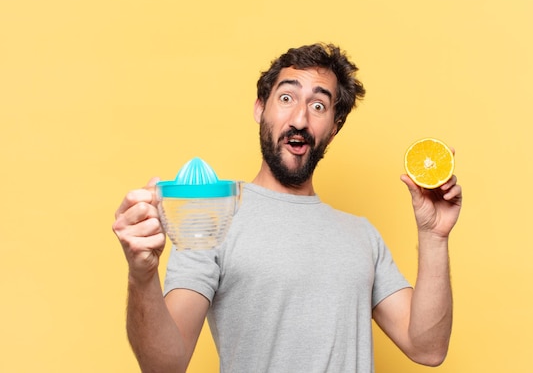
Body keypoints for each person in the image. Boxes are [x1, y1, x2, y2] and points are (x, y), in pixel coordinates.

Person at [112, 43, 462, 373]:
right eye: (286, 97)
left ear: (334, 128)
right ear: (260, 108)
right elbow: (165, 366)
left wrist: (433, 236)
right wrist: (141, 277)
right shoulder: (214, 216)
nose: (300, 119)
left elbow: (427, 347)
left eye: (319, 106)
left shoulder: (362, 236)